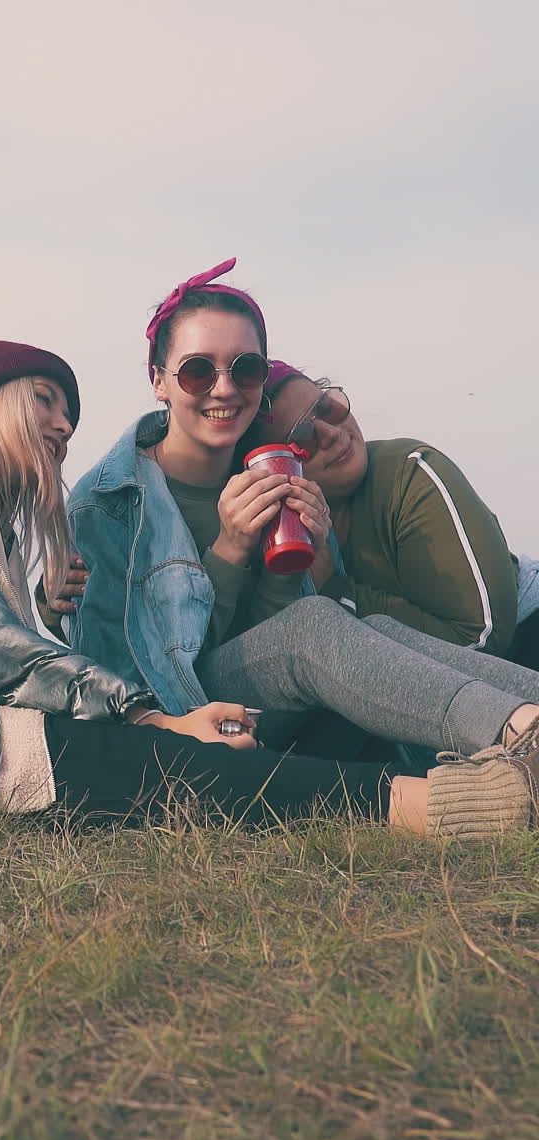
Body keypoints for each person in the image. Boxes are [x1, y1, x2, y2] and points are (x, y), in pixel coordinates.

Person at [0, 332, 510, 839]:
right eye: (43, 400)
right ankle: (444, 803)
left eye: (245, 368)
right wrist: (147, 711)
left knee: (348, 635)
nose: (63, 425)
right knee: (148, 764)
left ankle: (520, 726)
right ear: (161, 381)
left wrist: (313, 566)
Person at [43, 259, 539, 838]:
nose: (224, 388)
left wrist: (294, 563)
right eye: (198, 371)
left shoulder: (269, 470)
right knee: (313, 626)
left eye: (245, 369)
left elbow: (273, 645)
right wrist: (229, 552)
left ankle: (527, 714)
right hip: (181, 720)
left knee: (365, 624)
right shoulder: (108, 502)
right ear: (159, 381)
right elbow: (122, 677)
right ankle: (519, 730)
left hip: (274, 707)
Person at [252, 360, 538, 668]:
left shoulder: (409, 472)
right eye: (303, 436)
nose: (332, 433)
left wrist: (338, 592)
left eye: (327, 408)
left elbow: (483, 638)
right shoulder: (280, 538)